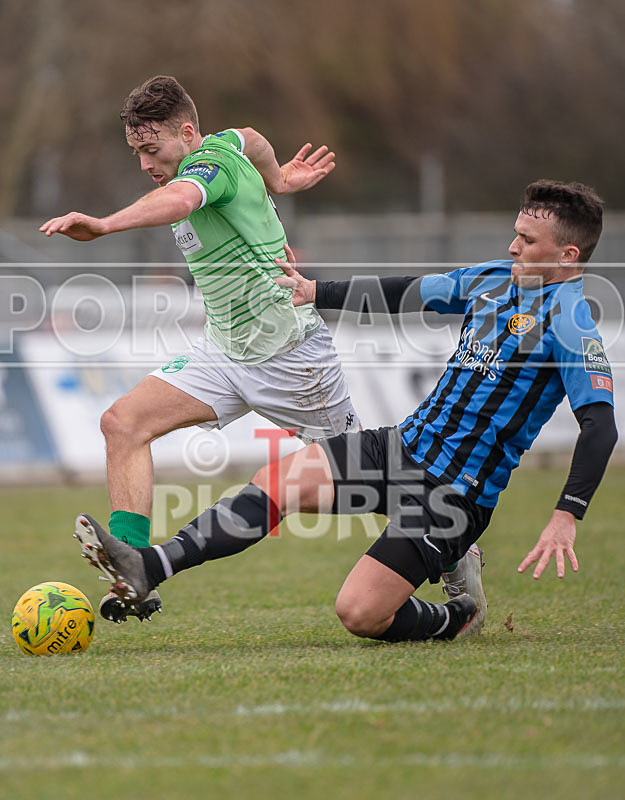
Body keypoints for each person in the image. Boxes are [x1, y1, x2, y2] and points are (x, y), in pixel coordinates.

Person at [74, 178, 618, 645]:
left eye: (527, 240)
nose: (513, 245)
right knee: (276, 483)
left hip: (455, 494)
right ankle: (151, 565)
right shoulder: (495, 278)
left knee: (359, 613)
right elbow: (407, 292)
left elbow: (600, 427)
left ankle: (454, 619)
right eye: (516, 233)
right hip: (401, 447)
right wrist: (318, 290)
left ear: (568, 255)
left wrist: (566, 515)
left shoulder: (571, 323)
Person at [40, 75, 363, 623]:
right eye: (136, 152)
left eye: (152, 149)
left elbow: (181, 199)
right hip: (225, 351)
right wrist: (279, 180)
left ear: (187, 133)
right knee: (123, 423)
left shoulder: (206, 167)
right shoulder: (227, 144)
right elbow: (252, 137)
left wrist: (105, 225)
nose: (145, 163)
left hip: (291, 357)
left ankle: (454, 548)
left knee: (362, 481)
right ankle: (134, 569)